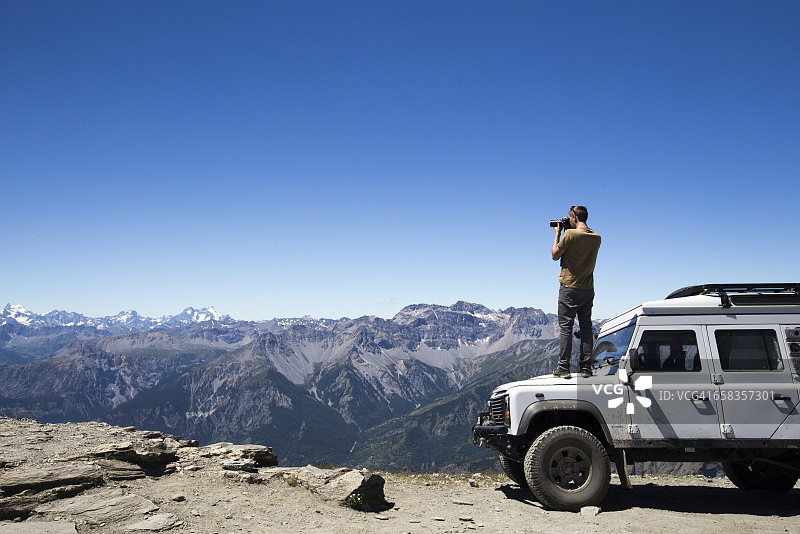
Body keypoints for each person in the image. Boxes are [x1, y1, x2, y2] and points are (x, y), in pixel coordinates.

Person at [551, 205, 601, 378]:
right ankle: (586, 367)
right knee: (586, 327)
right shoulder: (597, 237)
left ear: (574, 217)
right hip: (587, 288)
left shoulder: (570, 234)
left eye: (569, 217)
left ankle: (563, 368)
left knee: (566, 327)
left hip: (569, 288)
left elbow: (555, 255)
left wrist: (558, 233)